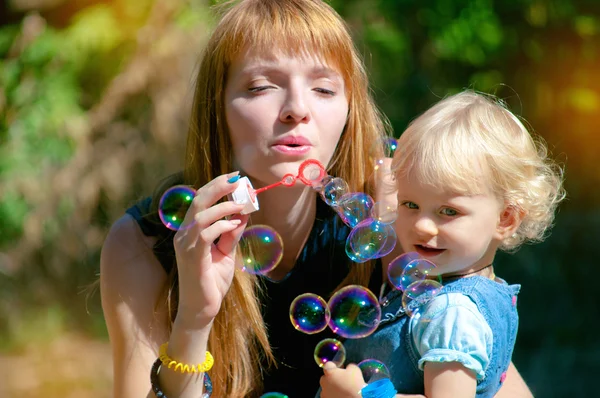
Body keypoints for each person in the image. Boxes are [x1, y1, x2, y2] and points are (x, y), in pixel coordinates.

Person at [100, 0, 535, 396]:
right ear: (218, 107)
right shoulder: (146, 243)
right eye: (260, 86)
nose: (296, 109)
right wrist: (194, 318)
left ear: (349, 110)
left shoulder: (388, 219)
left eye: (324, 89)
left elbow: (496, 380)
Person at [318, 90, 565, 398]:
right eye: (410, 204)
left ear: (505, 219)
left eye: (448, 211)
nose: (422, 224)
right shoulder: (454, 290)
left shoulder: (453, 312)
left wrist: (362, 396)